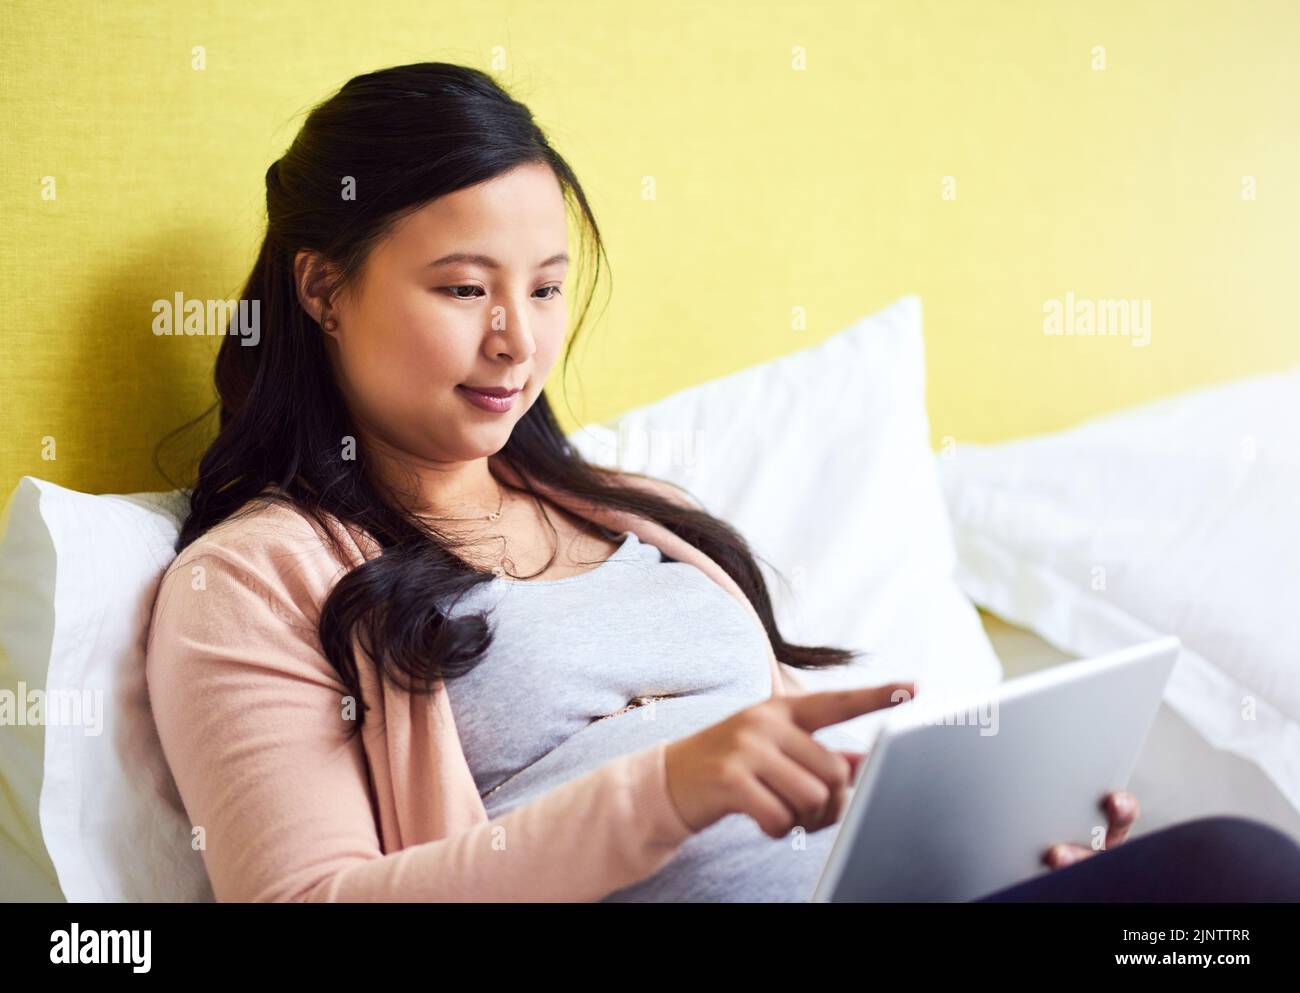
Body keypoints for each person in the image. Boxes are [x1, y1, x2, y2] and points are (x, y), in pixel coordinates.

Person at [146, 61, 1300, 903]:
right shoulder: (255, 579)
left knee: (1208, 903)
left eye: (544, 289)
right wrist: (665, 793)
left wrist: (995, 845)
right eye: (462, 289)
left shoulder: (644, 513)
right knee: (1240, 870)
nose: (517, 343)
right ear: (321, 289)